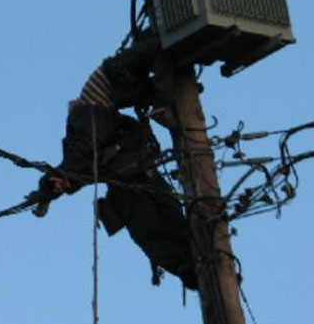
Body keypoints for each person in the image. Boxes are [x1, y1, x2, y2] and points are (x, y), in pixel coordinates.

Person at [30, 36, 198, 290]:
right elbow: (80, 157)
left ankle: (195, 264)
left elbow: (80, 157)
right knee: (161, 221)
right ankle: (193, 265)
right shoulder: (100, 118)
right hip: (134, 177)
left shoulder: (100, 117)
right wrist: (51, 188)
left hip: (135, 175)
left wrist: (53, 187)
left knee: (159, 223)